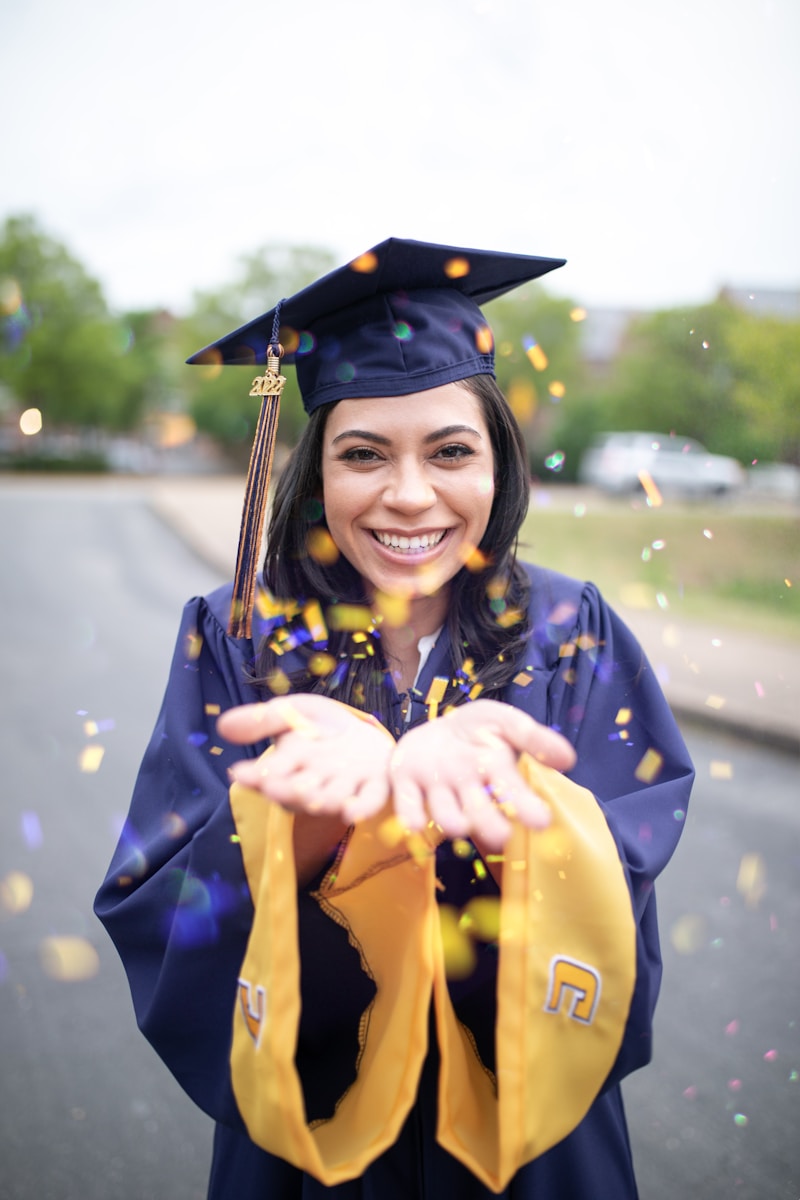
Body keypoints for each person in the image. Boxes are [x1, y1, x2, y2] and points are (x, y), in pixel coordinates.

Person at [95, 238, 694, 1199]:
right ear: (313, 471)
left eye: (451, 451)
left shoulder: (570, 630)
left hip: (528, 1155)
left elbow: (619, 888)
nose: (408, 493)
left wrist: (503, 815)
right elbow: (158, 903)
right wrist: (309, 827)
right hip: (312, 1158)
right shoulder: (239, 639)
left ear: (500, 461)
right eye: (363, 453)